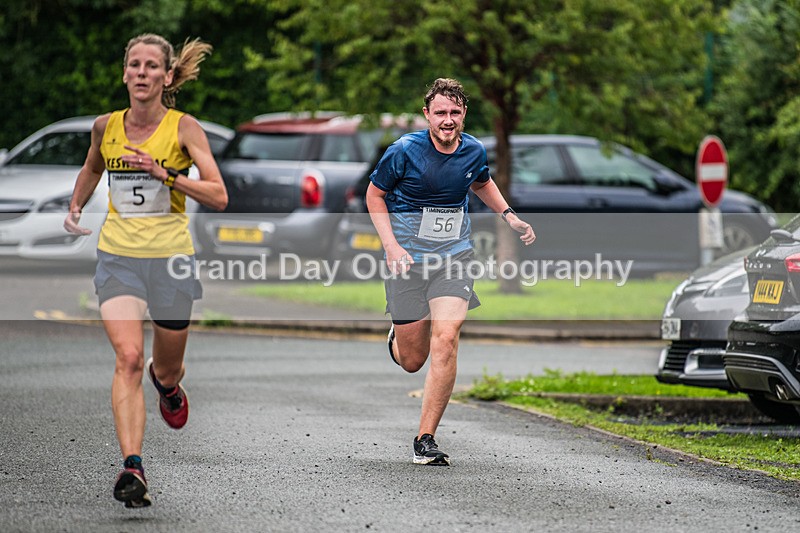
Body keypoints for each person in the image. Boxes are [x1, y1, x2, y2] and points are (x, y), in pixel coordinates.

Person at [64, 34, 228, 507]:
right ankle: (132, 466)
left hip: (171, 260)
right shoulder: (106, 127)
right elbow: (93, 167)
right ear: (124, 74)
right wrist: (76, 205)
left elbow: (218, 195)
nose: (141, 72)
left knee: (165, 367)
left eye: (151, 66)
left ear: (167, 76)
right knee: (129, 358)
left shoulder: (184, 129)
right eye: (133, 64)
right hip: (118, 258)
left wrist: (167, 175)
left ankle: (168, 385)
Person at [366, 78, 536, 466]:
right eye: (440, 112)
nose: (448, 120)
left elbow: (481, 182)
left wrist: (509, 216)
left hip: (453, 257)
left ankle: (425, 438)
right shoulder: (404, 151)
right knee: (413, 360)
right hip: (406, 261)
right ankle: (399, 334)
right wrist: (391, 246)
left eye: (455, 113)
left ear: (464, 115)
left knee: (448, 336)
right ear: (427, 114)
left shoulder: (473, 149)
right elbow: (374, 195)